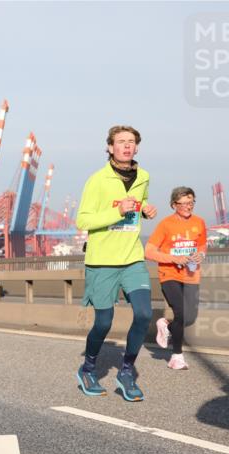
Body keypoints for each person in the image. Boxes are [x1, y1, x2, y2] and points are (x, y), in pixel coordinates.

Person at [75, 125, 156, 401]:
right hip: (102, 262)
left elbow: (139, 204)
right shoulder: (97, 180)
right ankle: (88, 369)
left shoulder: (143, 176)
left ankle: (126, 371)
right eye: (120, 141)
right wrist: (116, 210)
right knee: (104, 322)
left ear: (137, 147)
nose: (126, 146)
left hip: (132, 257)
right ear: (110, 147)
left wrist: (145, 210)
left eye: (131, 142)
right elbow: (83, 220)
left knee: (144, 314)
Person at [145, 187, 207, 370]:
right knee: (180, 312)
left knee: (189, 317)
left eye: (191, 202)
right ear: (174, 205)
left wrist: (200, 256)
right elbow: (148, 251)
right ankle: (177, 356)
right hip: (169, 275)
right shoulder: (165, 224)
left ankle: (165, 324)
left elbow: (202, 246)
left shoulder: (200, 222)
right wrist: (174, 258)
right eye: (184, 203)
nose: (189, 206)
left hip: (191, 275)